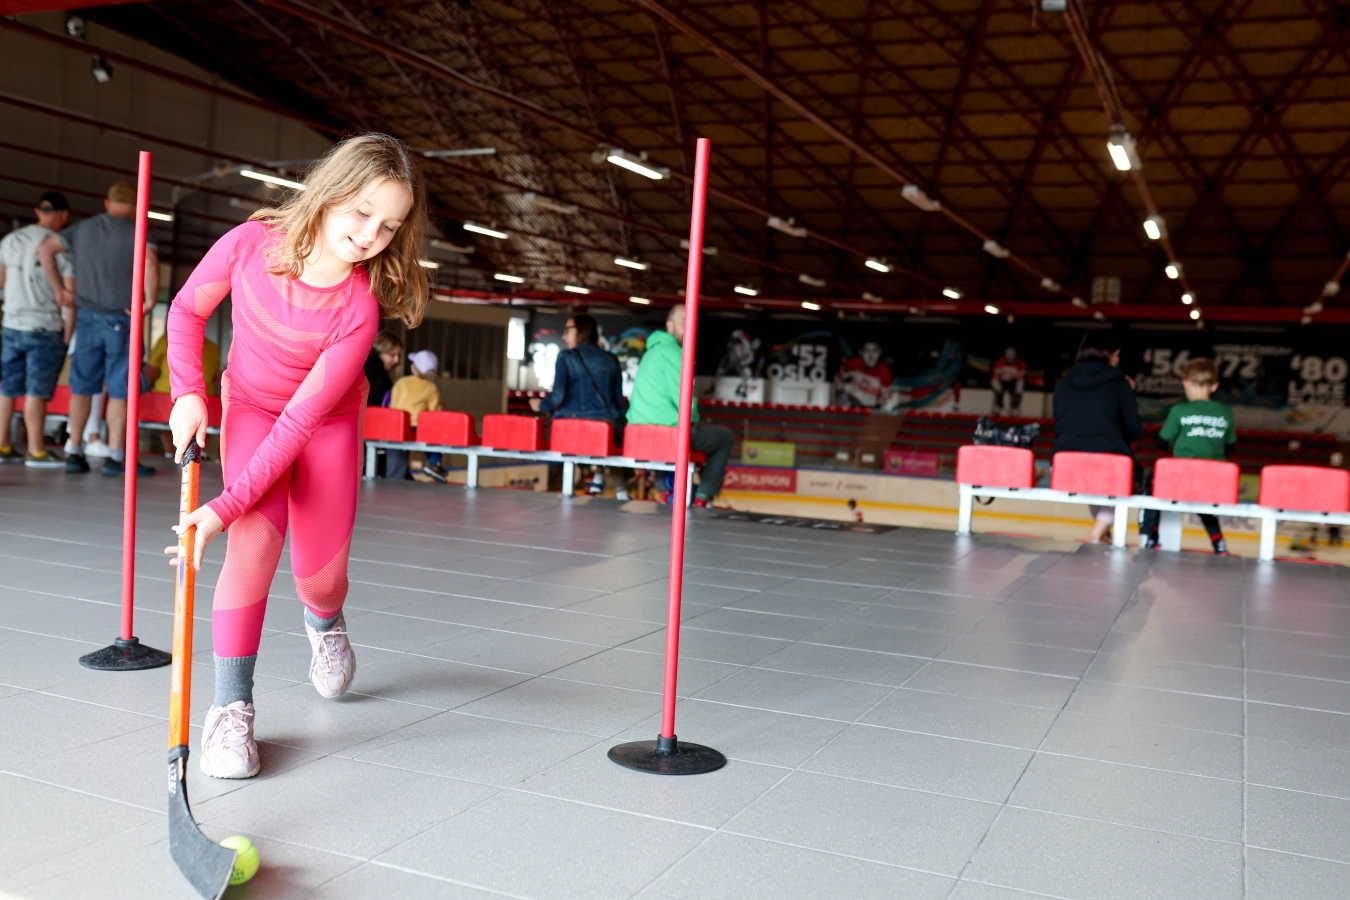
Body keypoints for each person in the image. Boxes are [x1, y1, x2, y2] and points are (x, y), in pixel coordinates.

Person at [164, 134, 429, 779]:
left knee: (319, 574)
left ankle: (326, 622)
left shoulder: (358, 309)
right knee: (253, 548)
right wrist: (188, 392)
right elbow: (187, 310)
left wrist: (221, 506)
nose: (370, 235)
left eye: (389, 226)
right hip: (252, 407)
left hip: (324, 425)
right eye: (362, 212)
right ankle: (231, 710)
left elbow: (301, 423)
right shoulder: (250, 245)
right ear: (331, 192)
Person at [38, 181, 159, 476]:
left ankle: (74, 451)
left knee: (82, 387)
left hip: (87, 319)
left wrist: (59, 291)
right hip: (122, 320)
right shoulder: (138, 230)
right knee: (120, 391)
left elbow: (45, 249)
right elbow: (150, 263)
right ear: (136, 206)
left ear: (107, 202)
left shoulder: (82, 229)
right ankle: (115, 457)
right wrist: (149, 301)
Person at [627, 304, 733, 507]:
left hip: (639, 428)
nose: (689, 327)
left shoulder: (651, 352)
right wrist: (694, 419)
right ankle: (703, 497)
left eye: (693, 323)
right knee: (724, 438)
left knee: (665, 441)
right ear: (669, 326)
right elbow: (683, 399)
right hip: (668, 430)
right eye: (684, 322)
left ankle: (664, 490)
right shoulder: (674, 353)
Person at [0, 192, 76, 468]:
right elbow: (69, 295)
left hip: (11, 325)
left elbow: (1, 280)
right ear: (64, 214)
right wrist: (68, 333)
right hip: (44, 326)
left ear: (37, 211)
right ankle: (36, 451)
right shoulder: (59, 245)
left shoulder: (10, 240)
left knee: (7, 389)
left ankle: (3, 446)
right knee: (37, 391)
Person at [1140, 358, 1235, 555]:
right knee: (1203, 503)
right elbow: (1231, 446)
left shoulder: (1180, 410)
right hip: (1214, 478)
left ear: (1185, 383)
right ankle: (1219, 544)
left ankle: (1151, 536)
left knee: (1152, 487)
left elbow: (1162, 442)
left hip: (1181, 477)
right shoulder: (1225, 412)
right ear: (1215, 386)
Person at [1053, 338, 1141, 543]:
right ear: (1107, 355)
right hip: (1108, 462)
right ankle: (1095, 536)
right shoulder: (1120, 383)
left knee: (1097, 480)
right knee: (1126, 478)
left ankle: (1103, 534)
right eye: (1116, 355)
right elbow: (1134, 429)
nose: (1117, 360)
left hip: (1064, 459)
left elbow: (1060, 425)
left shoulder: (1063, 383)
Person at [530, 313, 628, 497]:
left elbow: (558, 396)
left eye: (568, 330)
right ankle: (616, 485)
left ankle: (590, 477)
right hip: (604, 425)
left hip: (571, 427)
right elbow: (618, 402)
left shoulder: (566, 357)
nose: (563, 336)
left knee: (568, 443)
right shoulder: (611, 359)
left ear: (583, 331)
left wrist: (541, 405)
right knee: (606, 436)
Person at [143, 331, 221, 457]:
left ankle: (170, 453)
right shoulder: (212, 346)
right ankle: (201, 454)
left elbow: (150, 374)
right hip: (205, 399)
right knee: (205, 418)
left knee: (162, 408)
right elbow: (214, 377)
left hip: (167, 398)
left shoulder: (166, 340)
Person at [388, 348, 444, 482]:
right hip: (417, 426)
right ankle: (434, 464)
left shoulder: (401, 382)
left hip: (397, 425)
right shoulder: (431, 387)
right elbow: (434, 412)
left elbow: (393, 404)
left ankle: (395, 473)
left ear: (413, 367)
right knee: (434, 436)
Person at [364, 331, 402, 407]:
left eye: (398, 355)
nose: (397, 360)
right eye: (392, 355)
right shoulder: (372, 366)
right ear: (379, 352)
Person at [991, 347, 1026, 415]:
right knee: (998, 393)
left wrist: (1018, 391)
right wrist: (998, 389)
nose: (1010, 356)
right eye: (1008, 355)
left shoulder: (1021, 363)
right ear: (1005, 354)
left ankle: (1014, 409)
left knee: (1017, 394)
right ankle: (998, 408)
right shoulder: (999, 362)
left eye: (1012, 354)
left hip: (1013, 382)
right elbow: (995, 379)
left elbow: (1021, 380)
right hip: (1001, 381)